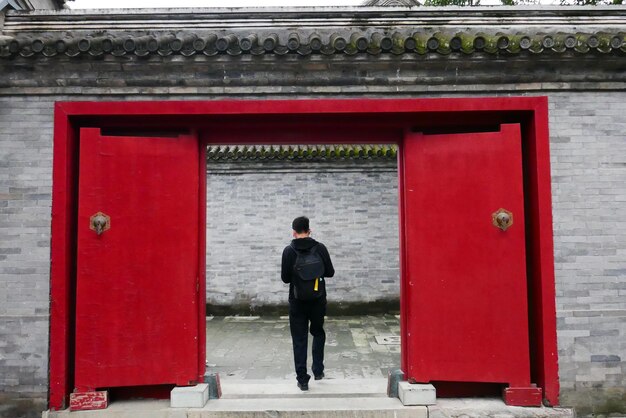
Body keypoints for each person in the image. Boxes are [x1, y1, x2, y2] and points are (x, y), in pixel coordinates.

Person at [281, 216, 334, 391]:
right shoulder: (320, 248)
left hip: (297, 301)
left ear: (294, 232)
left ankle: (302, 380)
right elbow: (330, 273)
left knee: (299, 338)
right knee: (318, 332)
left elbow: (285, 278)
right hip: (318, 299)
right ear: (309, 230)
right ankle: (318, 370)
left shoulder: (289, 251)